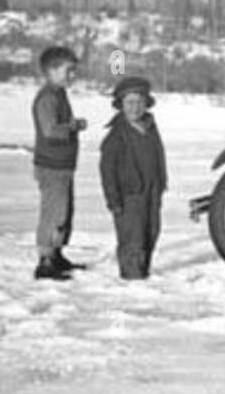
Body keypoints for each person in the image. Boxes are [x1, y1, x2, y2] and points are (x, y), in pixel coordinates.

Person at [99, 76, 168, 280]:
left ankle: (143, 272)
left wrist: (161, 183)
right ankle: (132, 278)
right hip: (129, 196)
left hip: (151, 191)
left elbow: (159, 156)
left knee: (151, 233)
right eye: (129, 103)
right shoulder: (115, 136)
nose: (135, 108)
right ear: (120, 105)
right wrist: (113, 199)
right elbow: (107, 170)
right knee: (132, 238)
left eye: (139, 102)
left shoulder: (151, 128)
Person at [31, 45, 88, 281]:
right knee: (54, 213)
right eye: (68, 70)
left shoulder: (59, 94)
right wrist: (73, 127)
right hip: (52, 167)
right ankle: (45, 260)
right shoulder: (47, 98)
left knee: (64, 212)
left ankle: (56, 254)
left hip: (63, 166)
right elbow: (50, 130)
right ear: (52, 71)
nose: (72, 76)